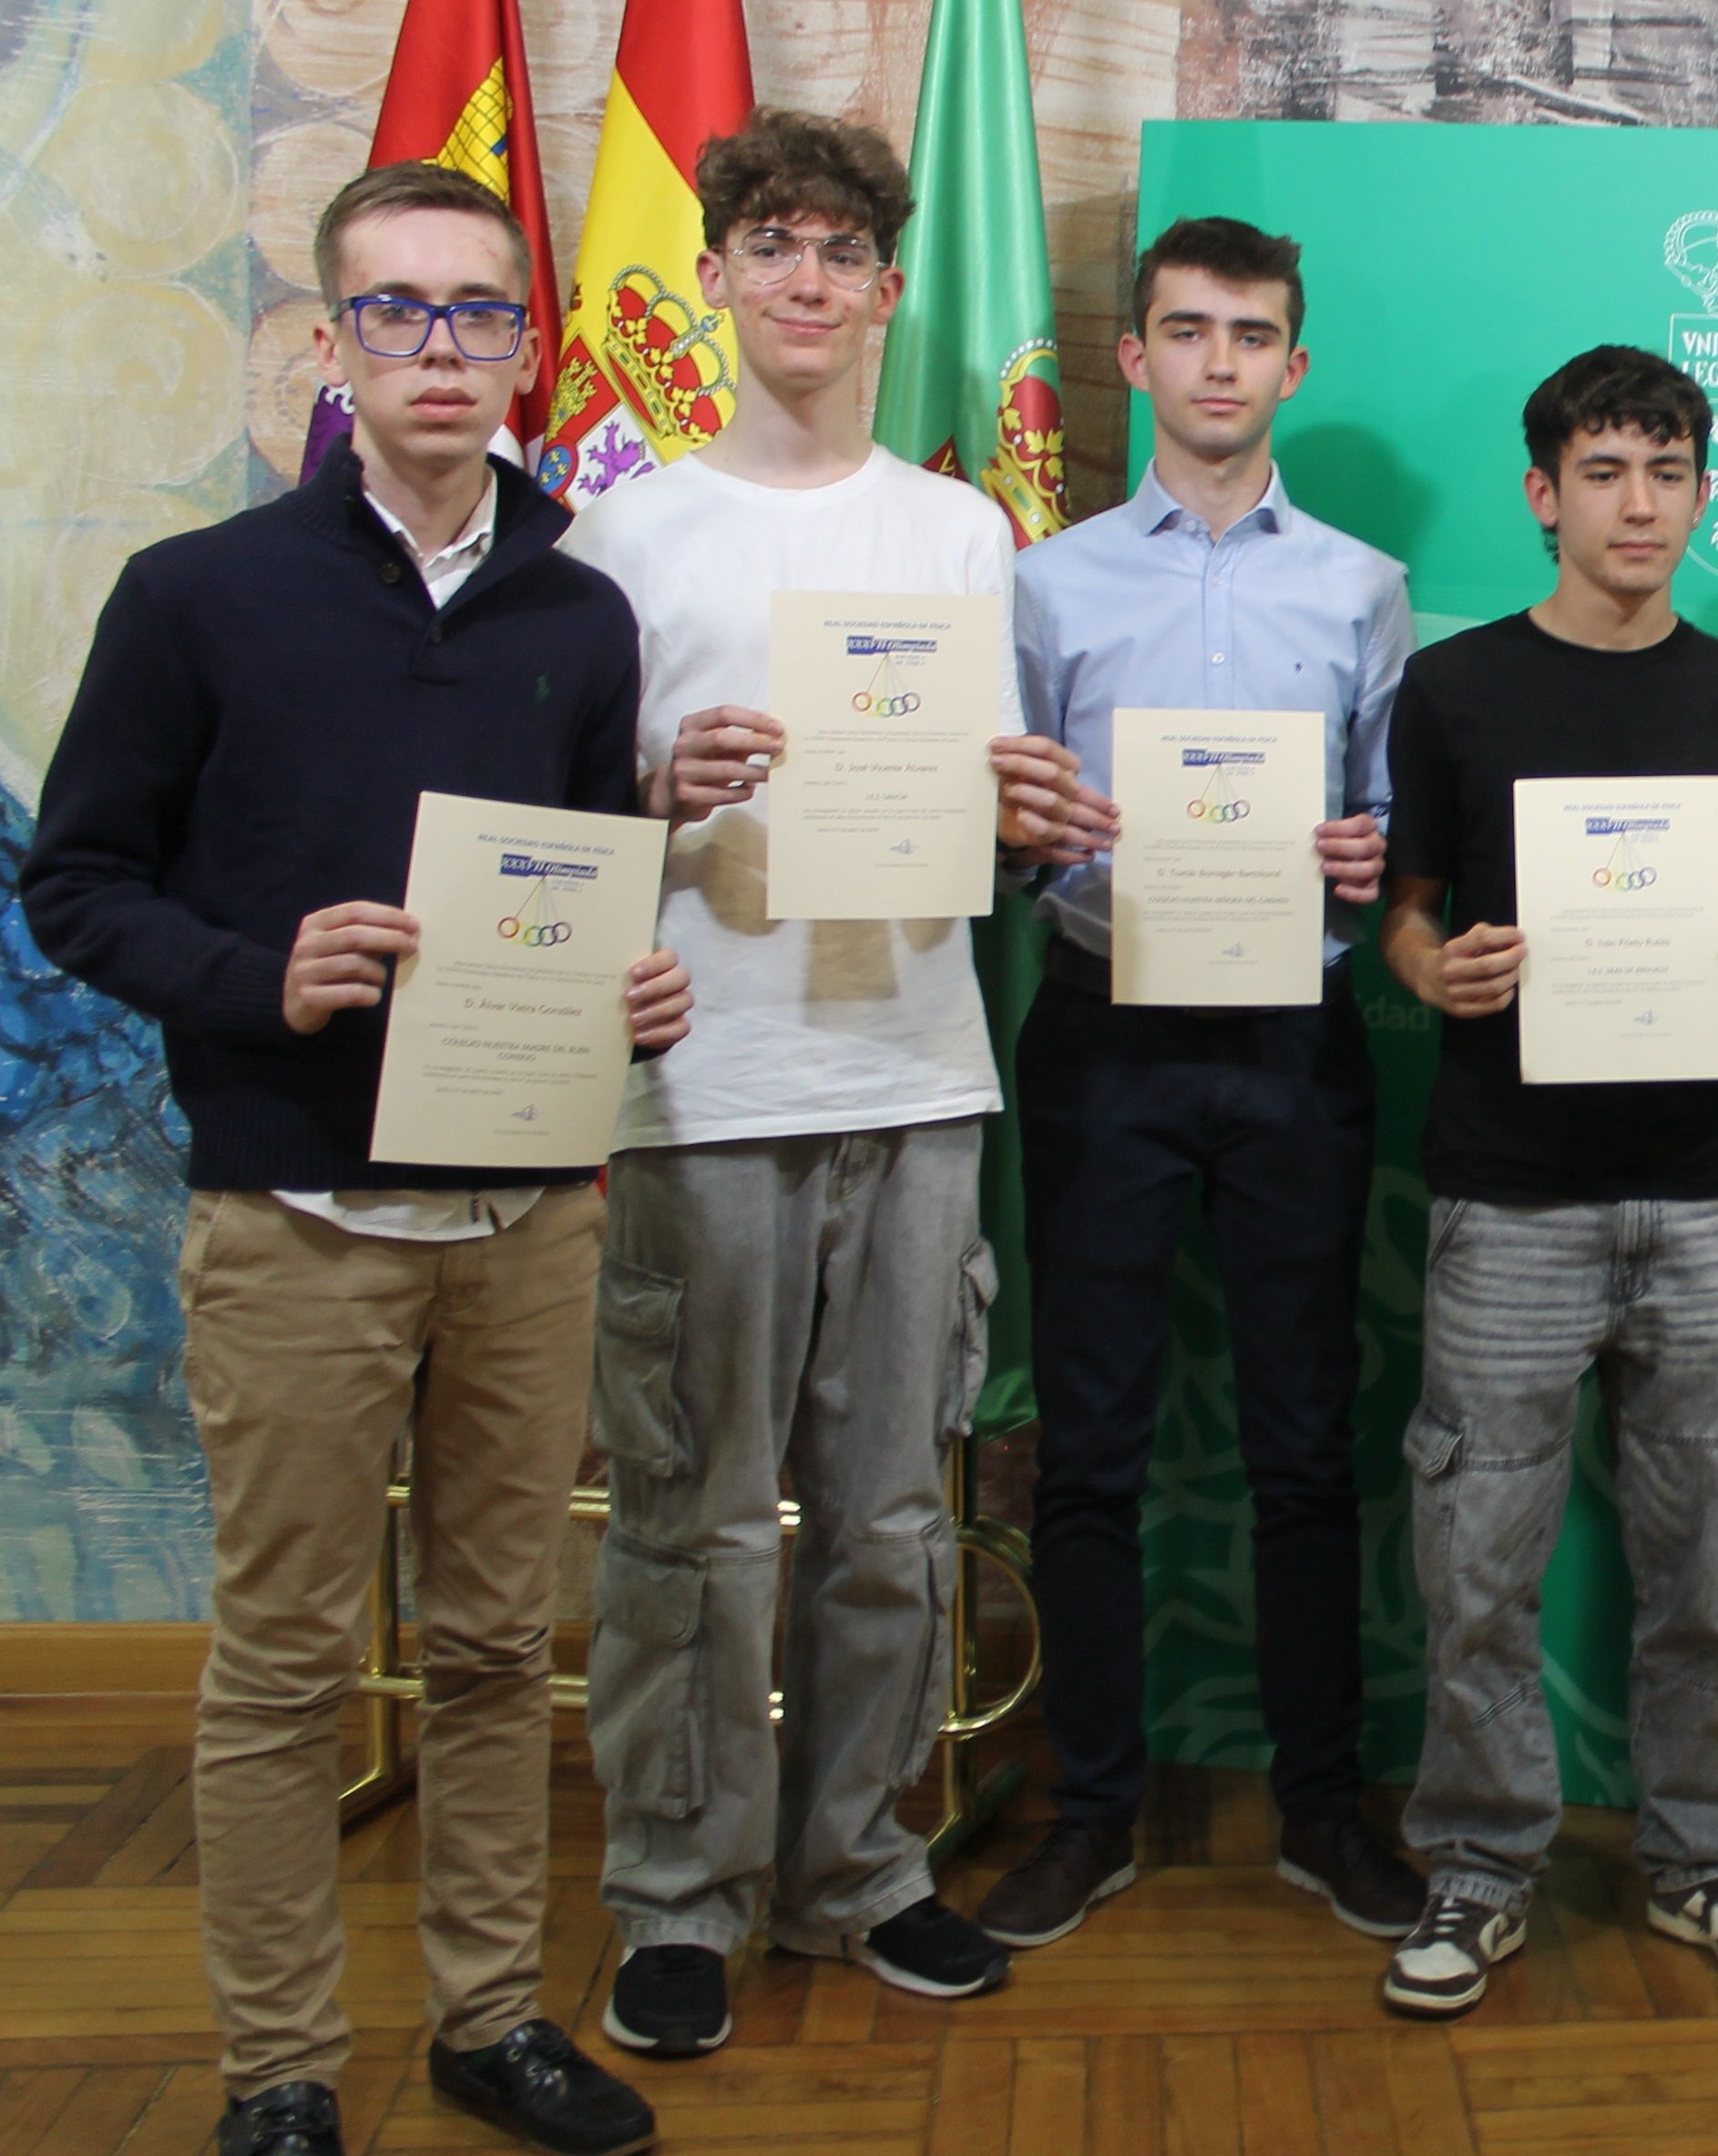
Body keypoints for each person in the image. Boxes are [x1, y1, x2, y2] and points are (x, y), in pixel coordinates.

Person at [21, 164, 684, 2156]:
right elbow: (74, 884)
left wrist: (629, 992)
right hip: (296, 1212)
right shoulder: (196, 590)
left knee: (497, 1643)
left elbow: (574, 882)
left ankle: (487, 2011)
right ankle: (279, 2072)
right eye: (394, 314)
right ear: (330, 347)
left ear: (524, 349)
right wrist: (259, 974)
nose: (439, 351)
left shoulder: (584, 605)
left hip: (527, 1218)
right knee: (290, 1663)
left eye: (479, 314)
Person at [560, 109, 1108, 2058]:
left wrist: (1035, 814)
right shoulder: (619, 530)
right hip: (704, 1080)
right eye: (770, 244)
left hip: (914, 1064)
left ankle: (861, 1863)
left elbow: (981, 807)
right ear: (714, 276)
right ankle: (678, 1894)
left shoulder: (963, 532)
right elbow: (552, 834)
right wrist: (654, 792)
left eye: (841, 251)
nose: (806, 280)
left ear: (888, 289)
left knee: (888, 1512)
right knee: (693, 1516)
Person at [969, 218, 1423, 1952]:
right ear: (1132, 358)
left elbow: (1387, 839)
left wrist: (1371, 849)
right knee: (1088, 1447)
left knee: (1308, 1446)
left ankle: (1323, 1808)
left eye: (1253, 335)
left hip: (1293, 1044)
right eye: (1188, 330)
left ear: (1293, 366)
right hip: (1103, 1031)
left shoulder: (1362, 585)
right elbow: (996, 837)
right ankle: (1091, 1811)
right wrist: (1028, 838)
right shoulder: (1049, 582)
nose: (1220, 361)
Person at [1368, 345, 1718, 2018]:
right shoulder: (1457, 687)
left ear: (1704, 491)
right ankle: (1479, 1868)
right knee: (1475, 1562)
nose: (1640, 503)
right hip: (1508, 1196)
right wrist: (1435, 972)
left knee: (1706, 1564)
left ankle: (1709, 1857)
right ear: (1543, 491)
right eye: (1605, 470)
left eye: (1669, 470)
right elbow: (1404, 908)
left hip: (1702, 1195)